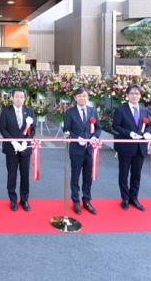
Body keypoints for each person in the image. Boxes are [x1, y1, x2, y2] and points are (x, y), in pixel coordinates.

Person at [112, 85, 151, 211]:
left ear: (140, 95)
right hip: (126, 146)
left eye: (137, 93)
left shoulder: (144, 110)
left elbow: (148, 125)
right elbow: (116, 126)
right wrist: (129, 133)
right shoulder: (120, 109)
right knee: (124, 174)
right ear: (127, 95)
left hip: (140, 147)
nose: (135, 96)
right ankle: (124, 198)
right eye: (132, 93)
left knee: (136, 175)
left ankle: (134, 198)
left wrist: (147, 133)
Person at [63, 87, 101, 215]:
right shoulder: (70, 112)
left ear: (88, 97)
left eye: (84, 96)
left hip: (90, 150)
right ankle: (75, 201)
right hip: (76, 149)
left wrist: (94, 137)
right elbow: (66, 130)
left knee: (88, 177)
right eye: (79, 96)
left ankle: (87, 201)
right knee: (75, 177)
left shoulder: (93, 111)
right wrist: (76, 138)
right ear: (75, 98)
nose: (82, 98)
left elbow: (98, 129)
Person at [0, 88, 36, 211]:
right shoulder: (6, 112)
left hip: (25, 149)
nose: (19, 99)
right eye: (16, 96)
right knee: (12, 175)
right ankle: (13, 200)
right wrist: (13, 141)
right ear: (12, 98)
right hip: (11, 148)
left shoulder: (29, 112)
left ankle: (24, 200)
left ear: (24, 98)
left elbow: (33, 129)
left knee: (25, 175)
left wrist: (26, 141)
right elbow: (3, 129)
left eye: (21, 97)